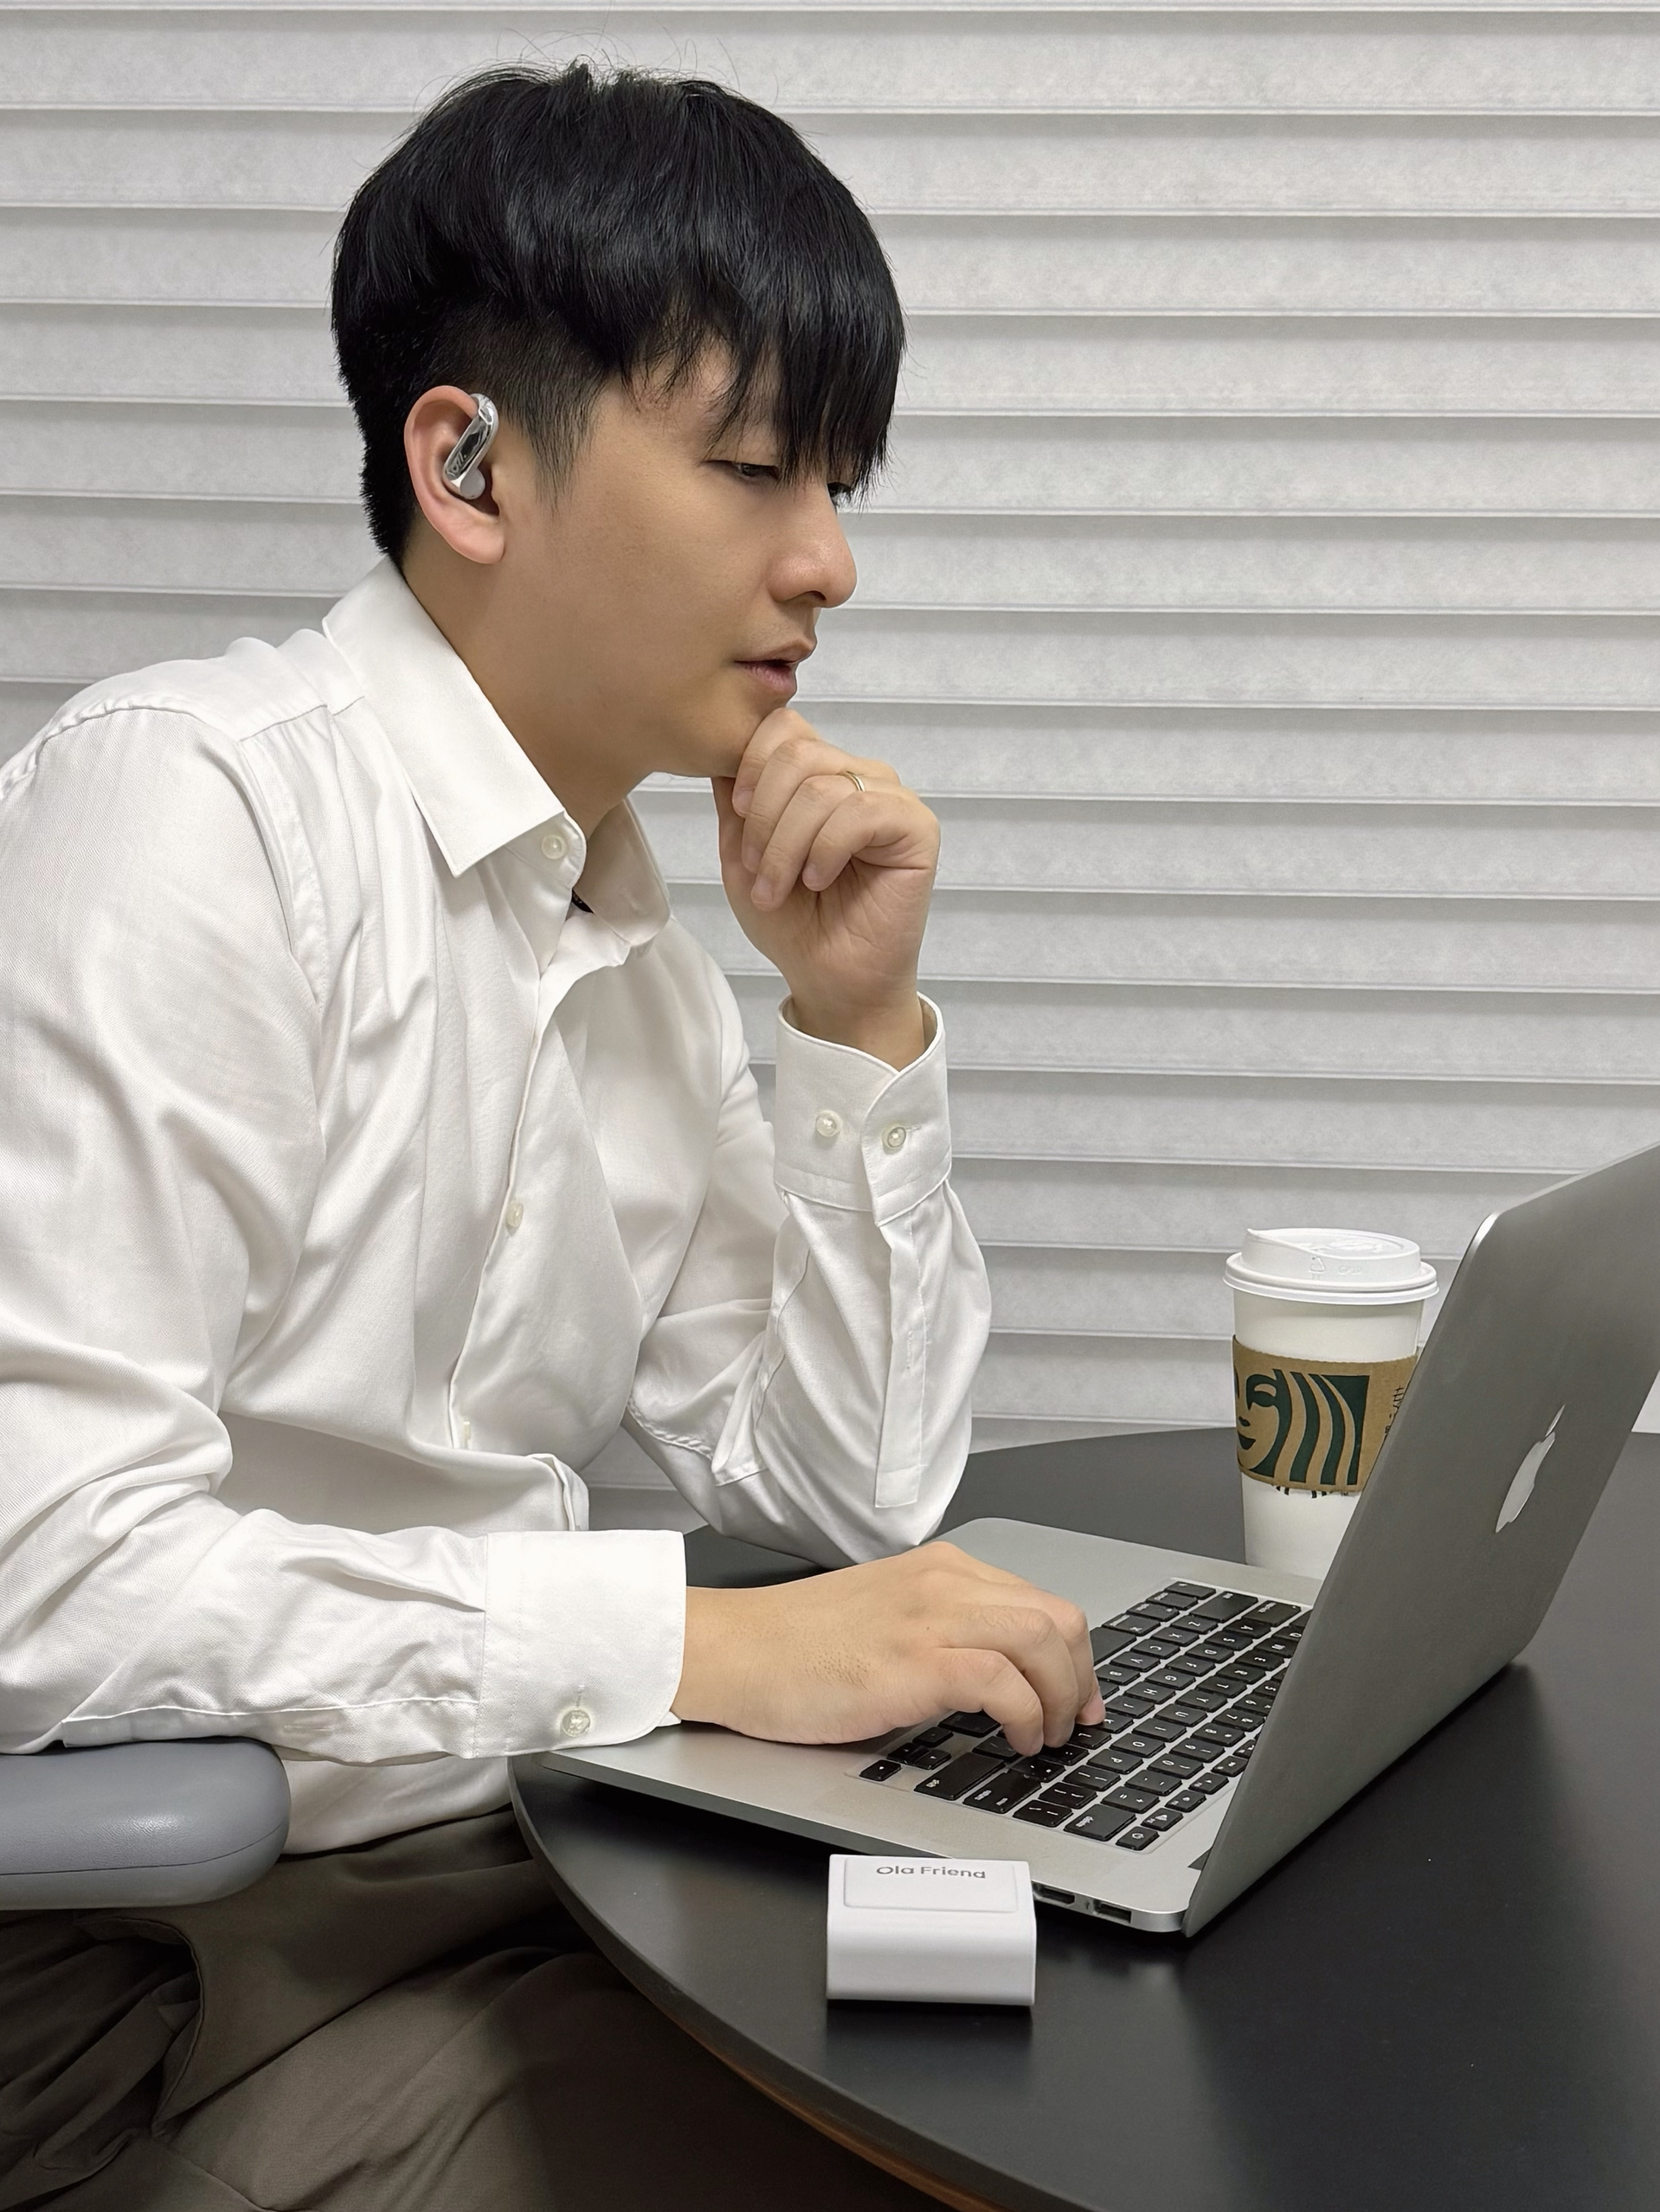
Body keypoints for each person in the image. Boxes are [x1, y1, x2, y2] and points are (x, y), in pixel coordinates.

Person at [0, 64, 1103, 2208]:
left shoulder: (626, 947)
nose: (830, 562)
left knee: (1070, 2038)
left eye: (836, 482)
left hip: (528, 1850)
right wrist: (684, 1647)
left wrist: (852, 1027)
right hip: (154, 1973)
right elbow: (45, 1577)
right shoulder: (192, 816)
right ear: (470, 463)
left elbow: (846, 1495)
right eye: (756, 469)